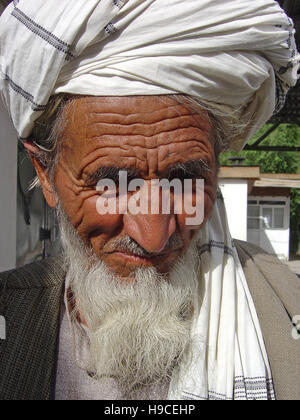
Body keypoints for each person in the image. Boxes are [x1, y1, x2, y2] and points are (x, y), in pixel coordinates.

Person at [0, 0, 299, 401]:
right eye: (113, 183)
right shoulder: (10, 319)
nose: (155, 235)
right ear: (44, 172)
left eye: (186, 178)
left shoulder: (285, 310)